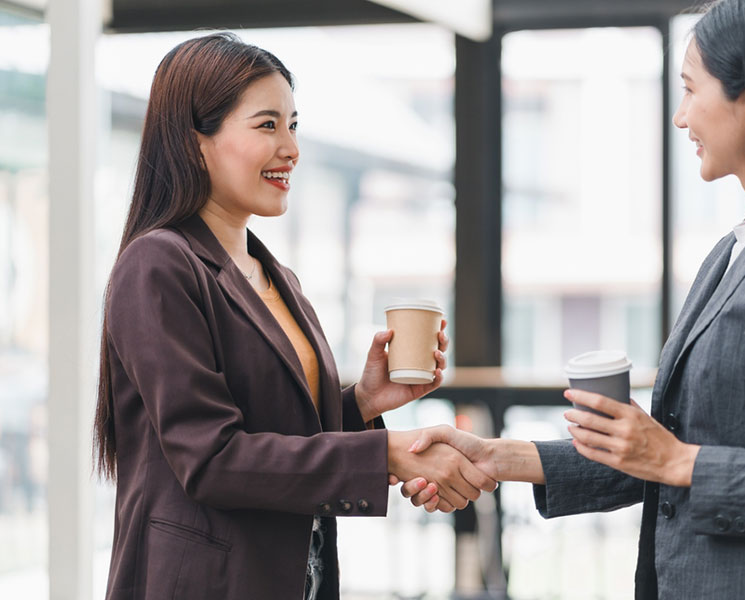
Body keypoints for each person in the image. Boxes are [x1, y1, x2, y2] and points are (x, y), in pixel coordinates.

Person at [400, 1, 745, 598]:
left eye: (692, 90)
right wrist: (495, 458)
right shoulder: (735, 248)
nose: (679, 116)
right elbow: (665, 450)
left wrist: (679, 463)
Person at [92, 33, 495, 600]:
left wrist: (361, 404)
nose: (291, 148)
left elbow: (278, 436)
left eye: (294, 125)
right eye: (266, 125)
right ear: (195, 141)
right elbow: (211, 458)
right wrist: (385, 454)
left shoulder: (275, 275)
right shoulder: (157, 263)